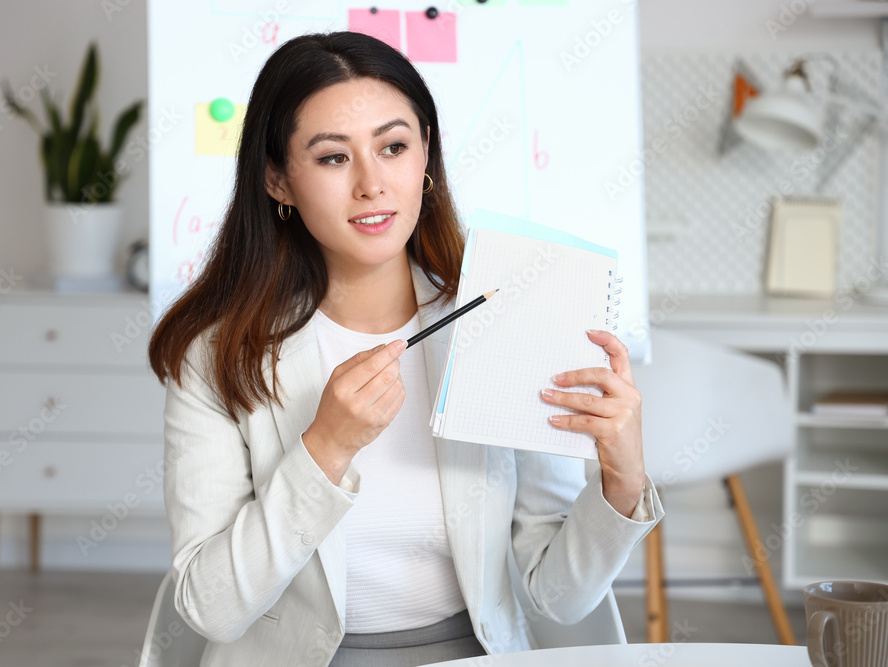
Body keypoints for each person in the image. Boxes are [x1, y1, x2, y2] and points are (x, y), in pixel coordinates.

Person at [147, 30, 663, 667]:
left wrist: (622, 479)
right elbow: (210, 607)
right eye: (334, 157)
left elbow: (556, 597)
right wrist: (325, 448)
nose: (372, 184)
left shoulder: (510, 320)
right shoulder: (216, 355)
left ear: (426, 157)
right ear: (278, 179)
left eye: (393, 147)